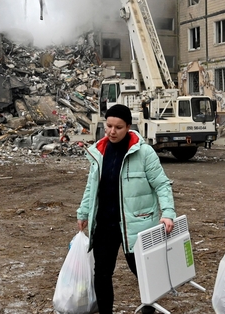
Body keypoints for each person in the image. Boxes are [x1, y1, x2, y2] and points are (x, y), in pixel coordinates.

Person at [76, 104, 175, 314]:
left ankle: (149, 310)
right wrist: (84, 212)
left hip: (136, 223)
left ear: (128, 127)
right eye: (109, 126)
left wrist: (167, 213)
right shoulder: (99, 152)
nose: (112, 131)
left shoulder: (143, 152)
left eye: (118, 127)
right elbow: (92, 186)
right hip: (104, 224)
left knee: (143, 272)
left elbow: (162, 184)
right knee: (101, 273)